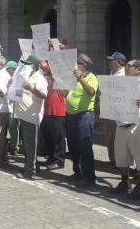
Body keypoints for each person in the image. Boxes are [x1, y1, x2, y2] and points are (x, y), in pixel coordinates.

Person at [111, 58, 140, 199]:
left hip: (138, 125)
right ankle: (125, 183)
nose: (126, 68)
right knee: (122, 157)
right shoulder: (121, 81)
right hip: (121, 125)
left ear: (138, 69)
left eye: (129, 66)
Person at [65, 54, 98, 186]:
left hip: (84, 117)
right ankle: (77, 172)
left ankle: (89, 177)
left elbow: (91, 91)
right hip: (71, 116)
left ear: (85, 66)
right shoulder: (73, 77)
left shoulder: (91, 77)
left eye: (78, 63)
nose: (76, 65)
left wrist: (81, 79)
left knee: (85, 147)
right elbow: (64, 94)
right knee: (73, 146)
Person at [15, 55, 47, 180]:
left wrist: (32, 88)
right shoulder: (24, 77)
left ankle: (29, 171)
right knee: (27, 145)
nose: (25, 66)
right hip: (23, 115)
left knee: (30, 146)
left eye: (27, 64)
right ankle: (34, 165)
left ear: (34, 66)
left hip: (32, 116)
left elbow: (43, 95)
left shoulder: (40, 79)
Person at [40, 62, 66, 170]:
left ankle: (59, 161)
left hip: (58, 111)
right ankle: (50, 158)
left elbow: (49, 67)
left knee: (58, 138)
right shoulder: (46, 76)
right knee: (48, 137)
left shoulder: (59, 75)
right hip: (46, 111)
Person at [105, 51, 127, 164]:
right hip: (109, 110)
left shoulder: (125, 75)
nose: (109, 63)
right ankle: (113, 159)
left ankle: (119, 160)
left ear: (119, 63)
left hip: (119, 112)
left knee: (118, 138)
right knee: (110, 136)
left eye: (111, 61)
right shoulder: (111, 73)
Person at [5, 61, 21, 155]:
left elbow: (19, 93)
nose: (7, 70)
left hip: (14, 106)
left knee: (14, 127)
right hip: (7, 105)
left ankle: (15, 146)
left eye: (8, 69)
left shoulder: (19, 78)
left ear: (13, 69)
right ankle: (11, 144)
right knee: (10, 128)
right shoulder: (8, 78)